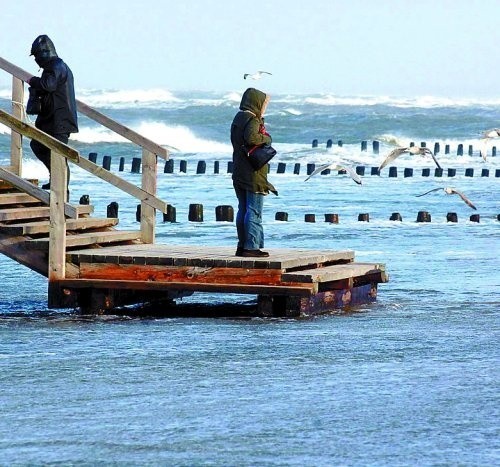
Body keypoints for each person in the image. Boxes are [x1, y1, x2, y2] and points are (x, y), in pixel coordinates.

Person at [27, 34, 78, 194]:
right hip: (54, 118)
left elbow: (47, 85)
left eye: (36, 55)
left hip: (59, 120)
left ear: (43, 53)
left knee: (58, 155)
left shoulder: (55, 66)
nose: (36, 59)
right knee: (38, 145)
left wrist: (32, 80)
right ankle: (56, 180)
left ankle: (62, 192)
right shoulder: (57, 66)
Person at [230, 87, 277, 257]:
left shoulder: (238, 118)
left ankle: (242, 246)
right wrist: (267, 138)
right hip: (253, 172)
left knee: (243, 209)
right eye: (263, 103)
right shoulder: (252, 120)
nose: (264, 107)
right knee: (254, 210)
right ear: (256, 102)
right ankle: (252, 247)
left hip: (239, 169)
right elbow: (252, 138)